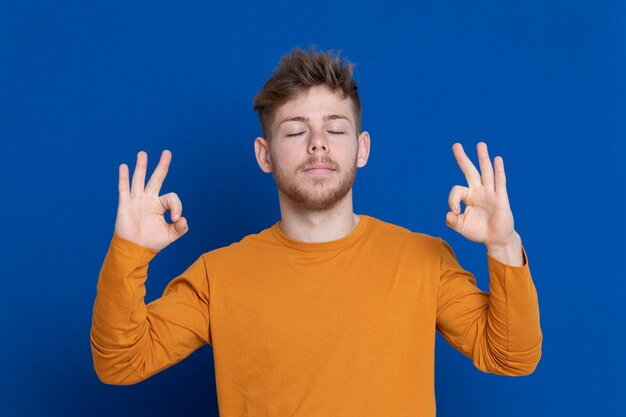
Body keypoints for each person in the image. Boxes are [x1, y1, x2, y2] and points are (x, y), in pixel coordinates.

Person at [90, 47, 542, 416]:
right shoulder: (219, 275)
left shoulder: (424, 259)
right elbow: (121, 361)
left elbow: (511, 356)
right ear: (264, 155)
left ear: (361, 148)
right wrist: (130, 251)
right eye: (295, 132)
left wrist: (503, 246)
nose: (318, 143)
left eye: (335, 128)